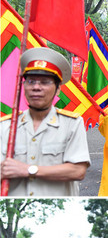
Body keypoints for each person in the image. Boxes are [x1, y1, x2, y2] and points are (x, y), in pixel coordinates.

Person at [0, 48, 90, 196]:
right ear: (23, 87)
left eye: (45, 82)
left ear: (58, 89)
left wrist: (28, 169)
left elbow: (78, 170)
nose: (36, 87)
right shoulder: (5, 126)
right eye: (31, 81)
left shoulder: (72, 124)